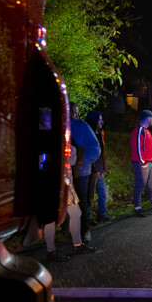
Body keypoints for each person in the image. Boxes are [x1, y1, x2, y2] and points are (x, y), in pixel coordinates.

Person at [45, 146, 97, 261]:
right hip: (53, 181)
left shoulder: (65, 142)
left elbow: (72, 160)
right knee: (51, 217)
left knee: (75, 212)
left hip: (66, 182)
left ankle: (77, 245)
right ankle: (51, 251)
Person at [70, 102, 101, 242]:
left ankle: (84, 230)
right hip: (65, 172)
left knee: (81, 201)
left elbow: (95, 148)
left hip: (81, 173)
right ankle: (70, 231)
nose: (74, 115)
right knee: (69, 203)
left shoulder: (80, 126)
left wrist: (81, 161)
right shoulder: (59, 126)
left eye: (74, 112)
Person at [85, 110, 114, 223]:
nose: (102, 121)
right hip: (92, 169)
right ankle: (88, 218)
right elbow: (90, 154)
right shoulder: (90, 134)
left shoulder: (98, 133)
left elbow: (100, 153)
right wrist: (95, 170)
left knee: (102, 192)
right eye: (100, 120)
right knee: (89, 194)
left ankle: (101, 215)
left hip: (99, 169)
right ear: (94, 121)